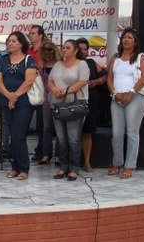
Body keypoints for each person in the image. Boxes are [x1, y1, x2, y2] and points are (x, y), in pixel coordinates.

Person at [107, 28, 144, 179]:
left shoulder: (140, 57)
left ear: (135, 41)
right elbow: (109, 78)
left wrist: (131, 92)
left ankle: (129, 166)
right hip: (117, 97)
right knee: (117, 133)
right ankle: (116, 163)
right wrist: (114, 93)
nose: (126, 40)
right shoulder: (115, 58)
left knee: (132, 132)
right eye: (124, 37)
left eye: (129, 37)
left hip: (135, 97)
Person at [0, 31, 37, 180]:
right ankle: (14, 167)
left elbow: (29, 81)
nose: (10, 44)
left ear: (21, 43)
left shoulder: (29, 59)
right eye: (8, 41)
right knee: (12, 134)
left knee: (19, 135)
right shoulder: (3, 60)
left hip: (23, 102)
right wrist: (8, 96)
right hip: (6, 101)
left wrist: (15, 96)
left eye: (13, 41)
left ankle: (24, 168)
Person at [48, 39, 89, 181]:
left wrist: (65, 91)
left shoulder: (82, 64)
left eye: (67, 47)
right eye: (63, 47)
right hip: (58, 105)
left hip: (73, 105)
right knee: (61, 138)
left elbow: (82, 82)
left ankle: (75, 168)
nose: (64, 49)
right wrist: (54, 90)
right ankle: (63, 166)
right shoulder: (58, 64)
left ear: (75, 50)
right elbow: (50, 80)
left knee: (73, 138)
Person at [76, 37, 107, 172]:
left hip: (90, 100)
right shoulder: (69, 63)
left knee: (87, 132)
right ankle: (70, 162)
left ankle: (87, 161)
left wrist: (97, 81)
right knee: (71, 133)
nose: (83, 52)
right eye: (80, 49)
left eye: (85, 49)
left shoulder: (92, 63)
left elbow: (105, 75)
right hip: (74, 101)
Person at [38, 41, 62, 166]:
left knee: (59, 128)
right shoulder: (41, 64)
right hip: (46, 99)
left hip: (59, 97)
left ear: (54, 50)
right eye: (44, 50)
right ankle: (46, 154)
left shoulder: (60, 64)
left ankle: (58, 155)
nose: (47, 52)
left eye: (49, 50)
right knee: (47, 128)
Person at [27, 25, 45, 161]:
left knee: (42, 122)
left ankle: (42, 150)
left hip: (41, 88)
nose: (30, 35)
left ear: (40, 35)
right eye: (30, 33)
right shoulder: (27, 51)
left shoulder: (45, 50)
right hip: (28, 88)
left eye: (33, 33)